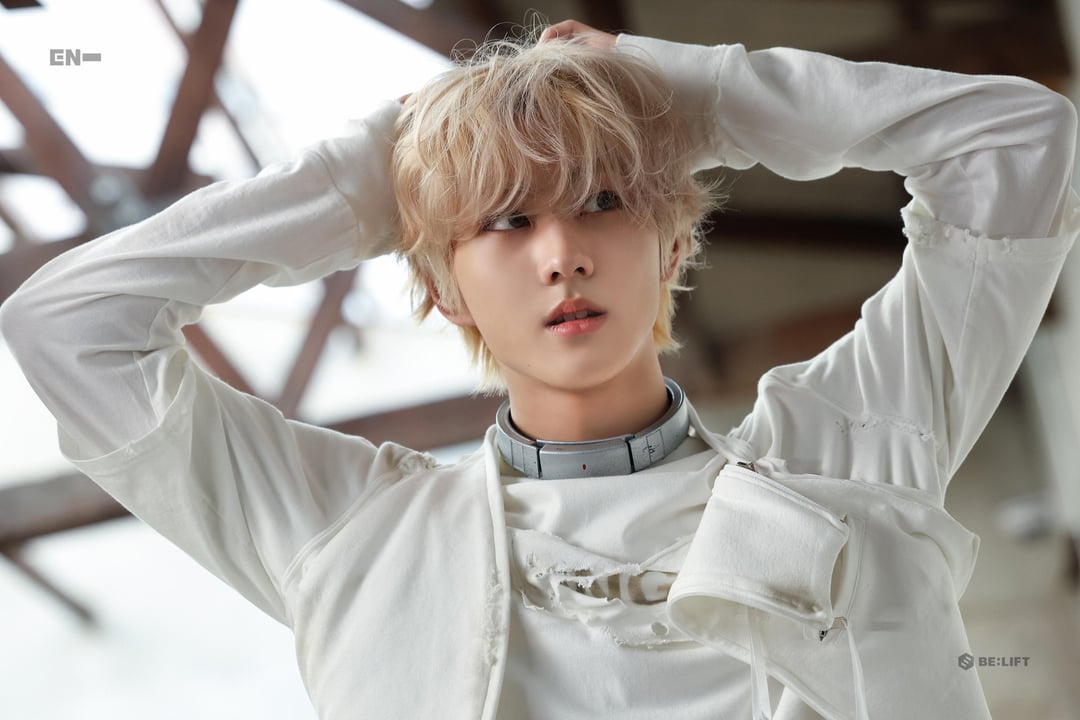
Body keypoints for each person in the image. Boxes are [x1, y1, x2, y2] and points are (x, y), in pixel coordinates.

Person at [1, 17, 1076, 720]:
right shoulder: (352, 536)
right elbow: (67, 326)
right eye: (508, 221)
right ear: (445, 293)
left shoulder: (851, 449)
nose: (562, 253)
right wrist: (388, 175)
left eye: (603, 202)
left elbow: (1020, 145)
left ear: (672, 246)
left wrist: (691, 98)